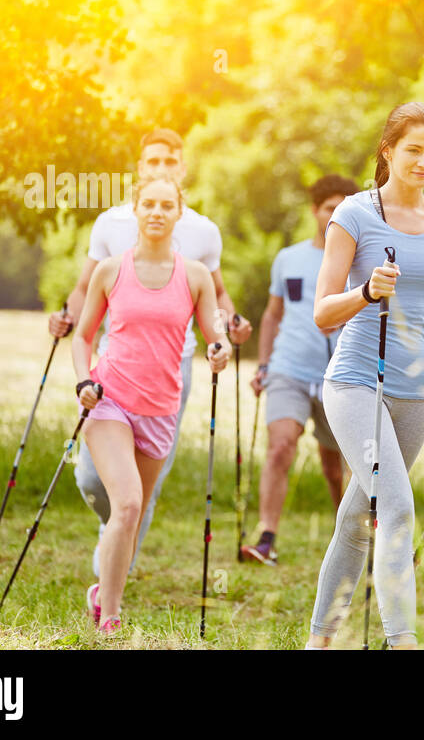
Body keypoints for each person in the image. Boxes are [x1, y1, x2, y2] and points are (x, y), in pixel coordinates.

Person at [307, 102, 424, 649]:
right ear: (388, 150)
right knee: (395, 509)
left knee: (353, 518)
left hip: (417, 393)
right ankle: (403, 641)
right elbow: (322, 311)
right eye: (413, 149)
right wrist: (367, 292)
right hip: (355, 382)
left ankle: (318, 642)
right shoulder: (354, 214)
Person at [48, 129, 252, 588]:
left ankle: (114, 571)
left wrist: (228, 328)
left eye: (170, 161)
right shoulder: (110, 224)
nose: (161, 168)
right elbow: (85, 289)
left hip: (172, 366)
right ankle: (118, 524)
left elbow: (215, 295)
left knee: (143, 488)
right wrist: (66, 318)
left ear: (182, 169)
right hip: (114, 365)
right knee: (93, 481)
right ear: (140, 169)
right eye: (153, 161)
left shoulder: (202, 231)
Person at [70, 173, 230, 634]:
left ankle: (102, 590)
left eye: (166, 205)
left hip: (161, 409)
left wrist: (219, 350)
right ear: (135, 210)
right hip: (110, 400)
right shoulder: (111, 270)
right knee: (126, 505)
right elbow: (83, 337)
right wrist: (83, 379)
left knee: (134, 511)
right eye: (149, 205)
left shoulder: (195, 276)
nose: (157, 212)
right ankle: (112, 615)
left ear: (179, 212)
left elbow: (213, 336)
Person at [242, 174, 359, 565]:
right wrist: (263, 363)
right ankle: (266, 538)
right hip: (288, 369)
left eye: (342, 209)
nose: (333, 216)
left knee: (335, 465)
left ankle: (350, 537)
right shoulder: (288, 259)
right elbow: (273, 315)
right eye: (328, 208)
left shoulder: (358, 260)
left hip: (337, 374)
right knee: (280, 447)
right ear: (315, 211)